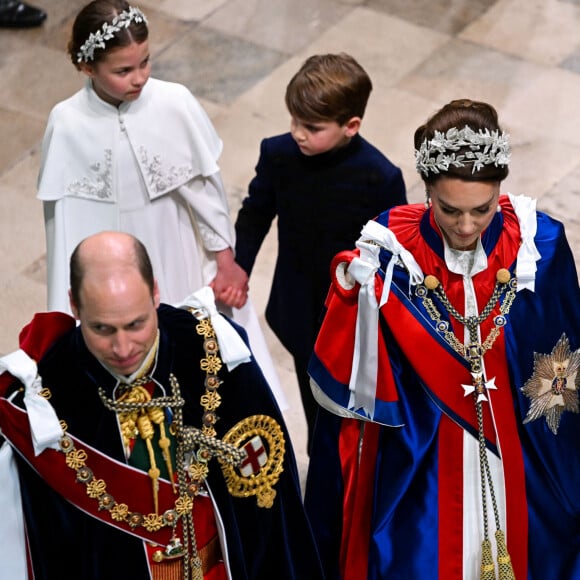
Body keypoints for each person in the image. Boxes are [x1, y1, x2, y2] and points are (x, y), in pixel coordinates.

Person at [304, 99, 580, 579]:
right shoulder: (389, 252)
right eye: (449, 209)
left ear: (500, 191)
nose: (468, 227)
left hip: (520, 452)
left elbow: (564, 364)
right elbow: (358, 375)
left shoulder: (542, 244)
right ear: (426, 190)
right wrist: (353, 297)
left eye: (483, 209)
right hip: (425, 458)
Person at [0, 231, 324, 579]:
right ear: (74, 305)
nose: (123, 349)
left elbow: (273, 514)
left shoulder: (212, 352)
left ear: (155, 292)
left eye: (135, 324)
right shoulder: (47, 402)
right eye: (102, 329)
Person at [36, 0, 285, 408]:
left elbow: (205, 192)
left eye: (145, 62)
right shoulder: (65, 123)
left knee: (189, 358)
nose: (140, 78)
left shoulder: (174, 102)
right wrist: (65, 310)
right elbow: (61, 224)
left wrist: (224, 259)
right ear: (87, 67)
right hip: (107, 265)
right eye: (123, 71)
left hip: (175, 247)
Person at [234, 53, 407, 451]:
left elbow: (391, 250)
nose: (297, 133)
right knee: (312, 395)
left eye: (311, 127)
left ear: (351, 126)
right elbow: (257, 211)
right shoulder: (278, 155)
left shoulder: (379, 177)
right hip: (299, 303)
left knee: (350, 406)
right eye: (294, 121)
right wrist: (240, 266)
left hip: (351, 312)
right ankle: (321, 459)